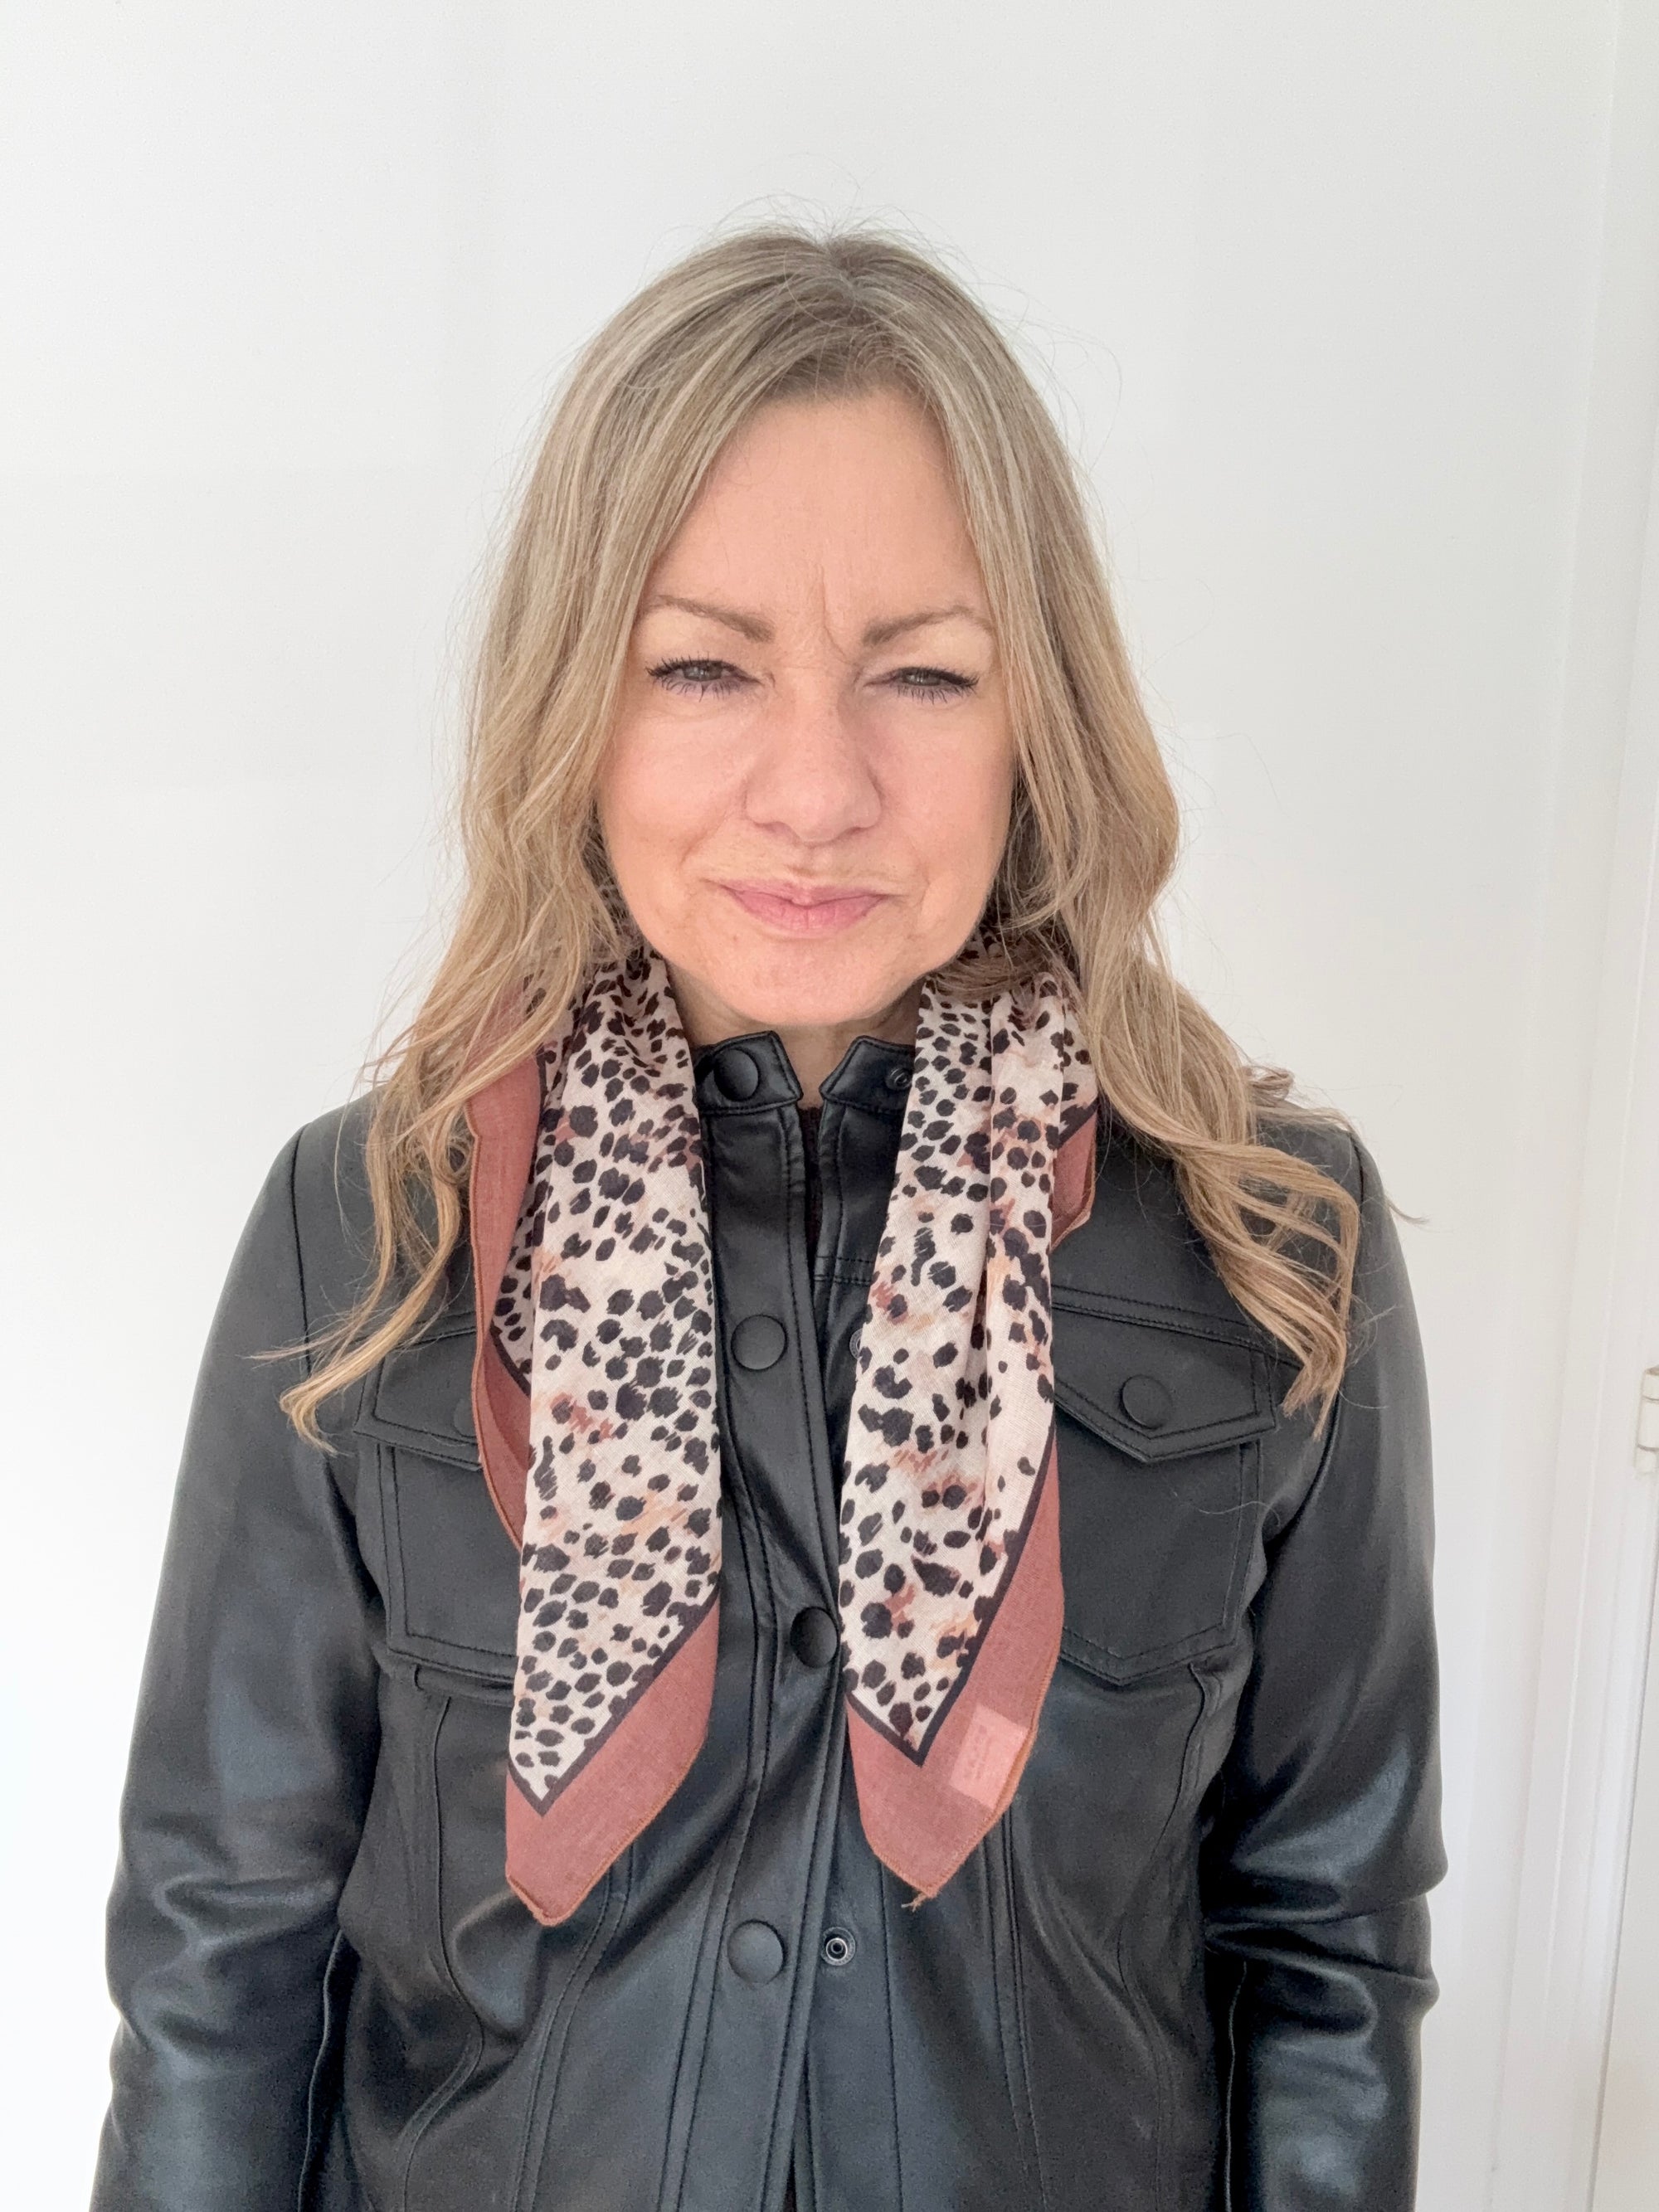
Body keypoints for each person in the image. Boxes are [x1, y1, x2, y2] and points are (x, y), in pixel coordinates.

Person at [91, 223, 1444, 2212]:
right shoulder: (363, 1231)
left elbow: (1323, 1948)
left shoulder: (1272, 1254)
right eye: (704, 664)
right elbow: (221, 1963)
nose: (814, 788)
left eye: (921, 672)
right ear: (582, 703)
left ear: (1031, 718)